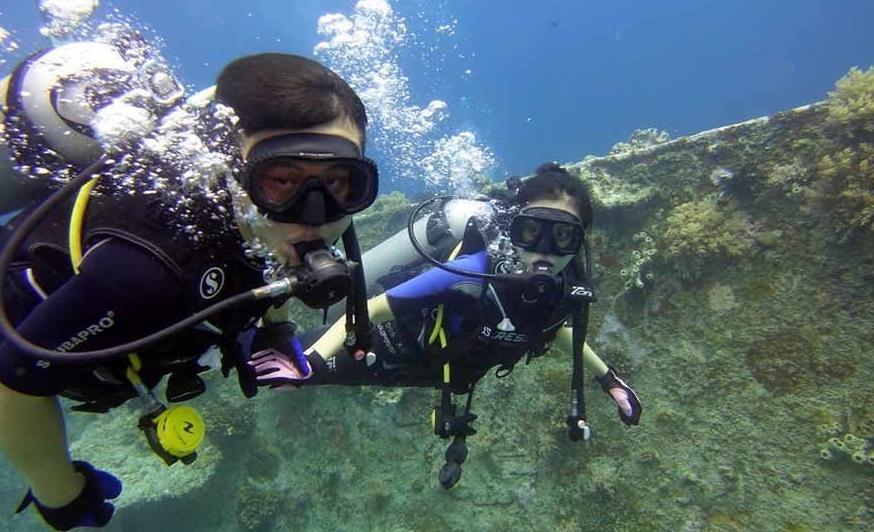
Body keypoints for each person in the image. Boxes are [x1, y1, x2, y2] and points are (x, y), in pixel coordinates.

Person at [0, 44, 379, 530]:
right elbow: (5, 388)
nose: (316, 214)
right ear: (230, 171)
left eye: (340, 183)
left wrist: (273, 330)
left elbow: (272, 268)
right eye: (282, 180)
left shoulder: (282, 227)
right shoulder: (143, 276)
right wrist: (61, 495)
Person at [250, 162, 642, 488]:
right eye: (531, 231)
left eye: (563, 236)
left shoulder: (560, 291)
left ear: (580, 243)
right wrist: (313, 360)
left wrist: (608, 379)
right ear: (512, 227)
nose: (544, 251)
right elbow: (374, 309)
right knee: (267, 369)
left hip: (439, 375)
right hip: (386, 350)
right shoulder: (471, 272)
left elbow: (554, 329)